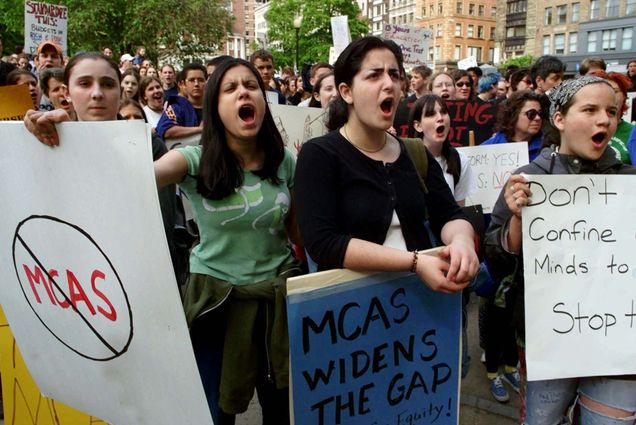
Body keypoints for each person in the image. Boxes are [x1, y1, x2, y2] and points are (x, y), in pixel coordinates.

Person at [153, 57, 301, 424]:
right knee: (215, 410)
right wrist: (70, 135)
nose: (243, 93)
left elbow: (300, 235)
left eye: (250, 86)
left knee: (281, 409)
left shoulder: (285, 161)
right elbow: (130, 179)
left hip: (276, 305)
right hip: (215, 305)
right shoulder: (192, 160)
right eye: (230, 88)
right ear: (215, 107)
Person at [485, 76, 636, 424]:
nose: (605, 120)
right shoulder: (527, 179)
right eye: (590, 110)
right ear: (560, 119)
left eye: (612, 112)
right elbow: (495, 259)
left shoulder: (628, 182)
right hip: (549, 342)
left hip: (616, 343)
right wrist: (518, 221)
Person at [295, 36, 479, 296]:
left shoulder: (416, 152)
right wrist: (414, 263)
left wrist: (462, 240)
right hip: (353, 314)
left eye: (394, 74)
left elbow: (449, 214)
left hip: (422, 309)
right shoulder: (319, 155)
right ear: (346, 92)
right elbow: (323, 243)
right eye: (374, 75)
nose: (389, 84)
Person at [22, 52, 178, 285]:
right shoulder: (49, 137)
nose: (97, 94)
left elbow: (161, 226)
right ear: (67, 92)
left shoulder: (149, 145)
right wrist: (41, 140)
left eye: (107, 84)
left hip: (139, 277)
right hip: (71, 279)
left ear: (119, 91)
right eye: (84, 83)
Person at [482, 90, 545, 161]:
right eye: (531, 114)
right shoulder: (488, 148)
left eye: (540, 114)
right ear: (513, 115)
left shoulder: (547, 149)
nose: (538, 118)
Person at [156, 63, 206, 140]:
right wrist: (200, 129)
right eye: (192, 80)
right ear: (183, 84)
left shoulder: (215, 107)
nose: (196, 84)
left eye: (201, 80)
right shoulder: (176, 107)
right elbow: (165, 130)